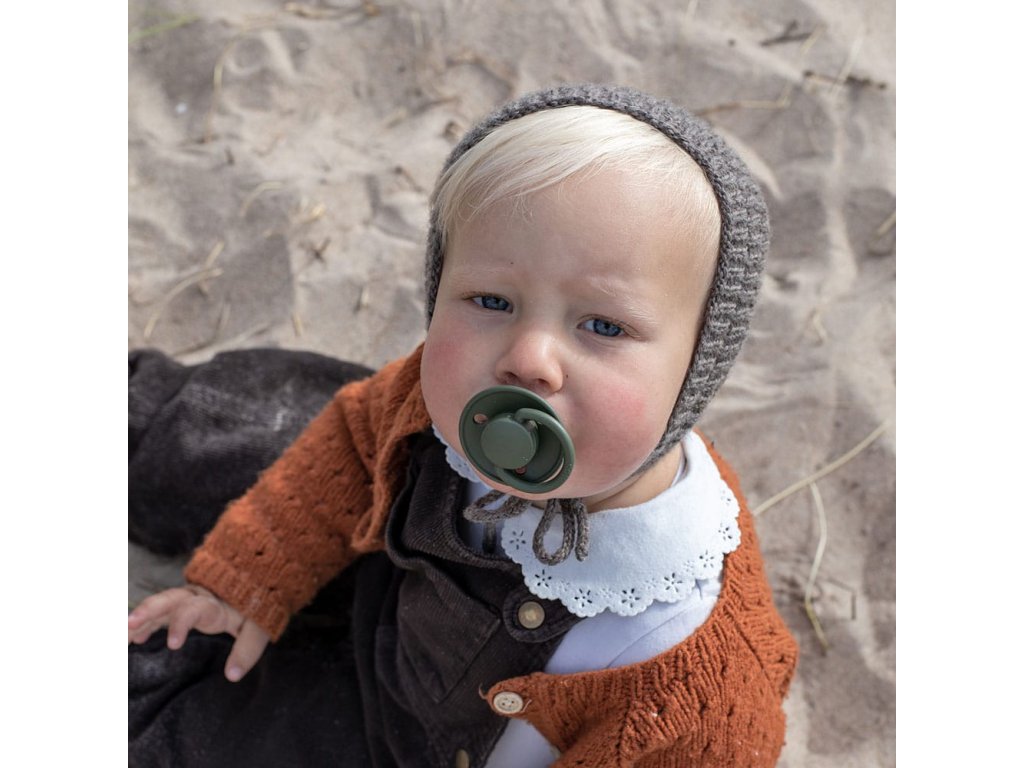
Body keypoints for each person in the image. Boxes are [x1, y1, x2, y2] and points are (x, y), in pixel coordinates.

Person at [128, 84, 798, 767]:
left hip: (397, 744)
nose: (528, 359)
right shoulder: (433, 410)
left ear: (698, 366)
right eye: (491, 300)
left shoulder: (679, 657)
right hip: (381, 602)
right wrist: (252, 574)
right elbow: (351, 447)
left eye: (603, 325)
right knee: (239, 416)